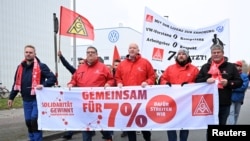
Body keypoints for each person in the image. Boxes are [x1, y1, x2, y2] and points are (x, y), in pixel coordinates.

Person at [8, 45, 57, 141]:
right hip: (26, 100)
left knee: (35, 121)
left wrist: (43, 85)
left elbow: (53, 78)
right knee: (28, 122)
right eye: (26, 52)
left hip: (37, 99)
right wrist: (11, 97)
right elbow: (16, 83)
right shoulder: (20, 67)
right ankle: (32, 139)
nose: (28, 54)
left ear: (35, 54)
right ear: (24, 53)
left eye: (30, 52)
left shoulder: (41, 66)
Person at [67, 46, 114, 141]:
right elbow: (74, 80)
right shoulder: (80, 68)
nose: (90, 54)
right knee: (86, 128)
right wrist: (71, 84)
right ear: (86, 54)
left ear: (97, 55)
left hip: (99, 104)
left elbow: (111, 79)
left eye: (92, 52)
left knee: (101, 125)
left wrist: (108, 84)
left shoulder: (103, 68)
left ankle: (108, 136)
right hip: (84, 104)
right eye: (88, 52)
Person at [195, 34, 243, 126]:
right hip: (208, 103)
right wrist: (206, 80)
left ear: (222, 53)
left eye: (218, 52)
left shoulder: (231, 67)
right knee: (211, 126)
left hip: (224, 103)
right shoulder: (205, 67)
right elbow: (197, 80)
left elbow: (239, 82)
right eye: (214, 52)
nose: (216, 54)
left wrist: (228, 83)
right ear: (211, 54)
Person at [115, 43, 155, 141]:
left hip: (142, 100)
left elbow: (152, 76)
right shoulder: (122, 64)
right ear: (128, 50)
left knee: (143, 122)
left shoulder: (145, 62)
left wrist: (147, 82)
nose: (132, 49)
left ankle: (147, 138)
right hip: (127, 99)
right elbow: (117, 77)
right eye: (130, 48)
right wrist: (119, 83)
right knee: (130, 123)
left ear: (138, 50)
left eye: (134, 48)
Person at [159, 48, 199, 141]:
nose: (181, 55)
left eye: (183, 54)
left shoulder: (194, 69)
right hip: (171, 101)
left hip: (187, 103)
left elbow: (199, 84)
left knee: (184, 126)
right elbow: (162, 79)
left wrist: (189, 85)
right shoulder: (170, 68)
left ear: (187, 56)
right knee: (171, 125)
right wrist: (165, 83)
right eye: (179, 54)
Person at [57, 50, 87, 139]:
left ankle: (103, 133)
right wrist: (61, 57)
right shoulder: (75, 72)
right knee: (72, 116)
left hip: (85, 99)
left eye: (83, 63)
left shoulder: (89, 73)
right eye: (79, 63)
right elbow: (67, 65)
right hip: (76, 99)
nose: (81, 64)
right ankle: (69, 133)